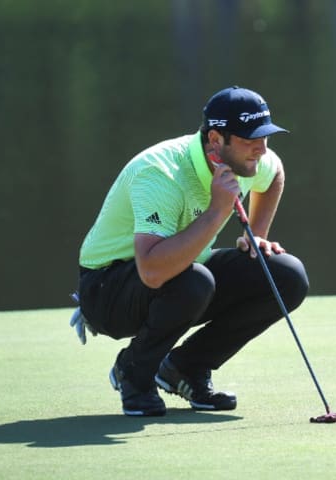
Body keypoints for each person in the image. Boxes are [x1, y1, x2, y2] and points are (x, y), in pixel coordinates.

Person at [74, 86, 309, 416]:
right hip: (107, 289)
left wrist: (256, 235)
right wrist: (217, 211)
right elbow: (152, 271)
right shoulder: (161, 172)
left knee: (285, 275)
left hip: (182, 274)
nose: (261, 148)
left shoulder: (248, 159)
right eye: (249, 139)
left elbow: (275, 176)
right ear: (216, 139)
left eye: (265, 137)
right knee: (193, 281)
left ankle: (185, 367)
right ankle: (135, 373)